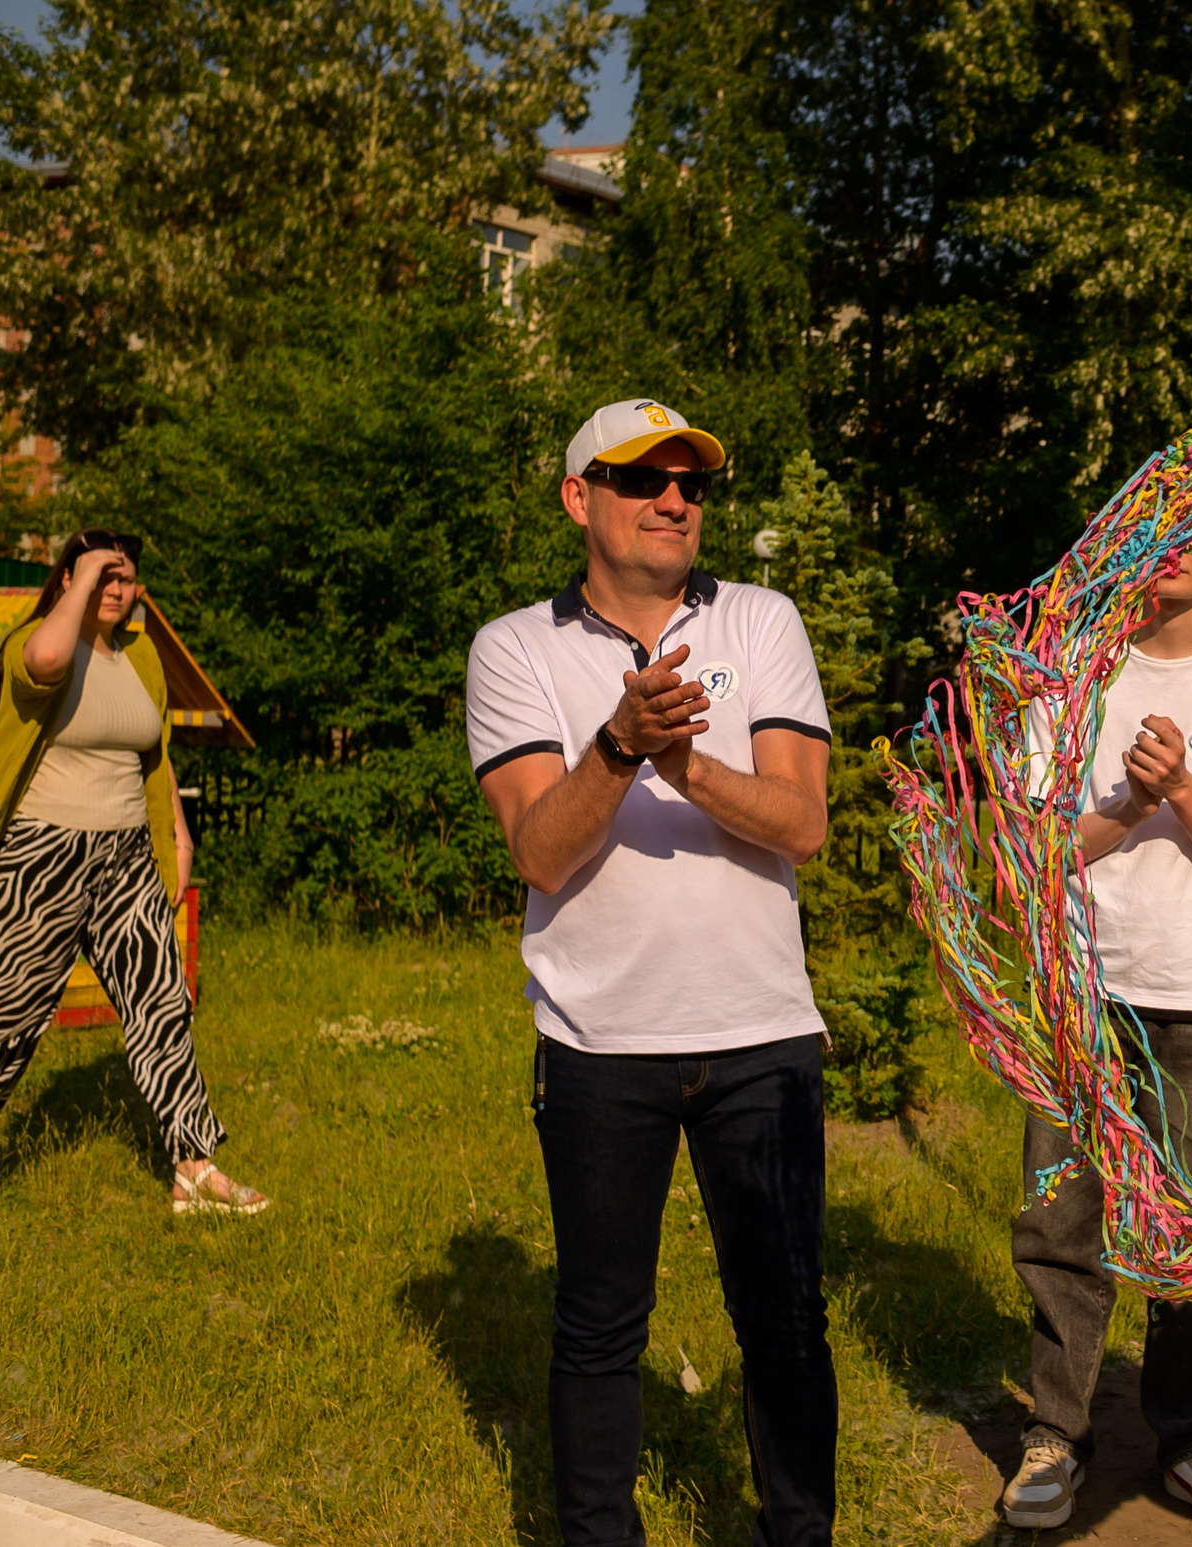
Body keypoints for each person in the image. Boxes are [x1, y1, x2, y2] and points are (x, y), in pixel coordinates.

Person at [468, 399, 838, 1547]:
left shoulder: (761, 621)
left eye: (692, 483)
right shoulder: (515, 647)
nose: (675, 500)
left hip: (759, 1036)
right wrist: (619, 746)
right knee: (599, 1326)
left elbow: (804, 823)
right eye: (643, 480)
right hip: (598, 1040)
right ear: (580, 499)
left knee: (782, 1320)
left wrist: (683, 764)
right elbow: (538, 848)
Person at [1002, 515, 1192, 1536]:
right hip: (1080, 992)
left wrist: (1179, 786)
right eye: (1155, 528)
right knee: (1059, 1218)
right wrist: (1133, 803)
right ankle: (1056, 1431)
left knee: (1190, 1222)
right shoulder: (1070, 677)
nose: (1173, 547)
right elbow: (1038, 857)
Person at [0, 528, 261, 1219]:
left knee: (162, 1002)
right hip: (42, 855)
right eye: (101, 575)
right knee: (9, 1013)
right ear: (68, 578)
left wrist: (178, 836)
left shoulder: (144, 656)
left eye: (125, 579)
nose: (115, 590)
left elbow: (153, 751)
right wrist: (88, 566)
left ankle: (193, 1166)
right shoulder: (34, 641)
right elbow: (42, 660)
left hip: (126, 854)